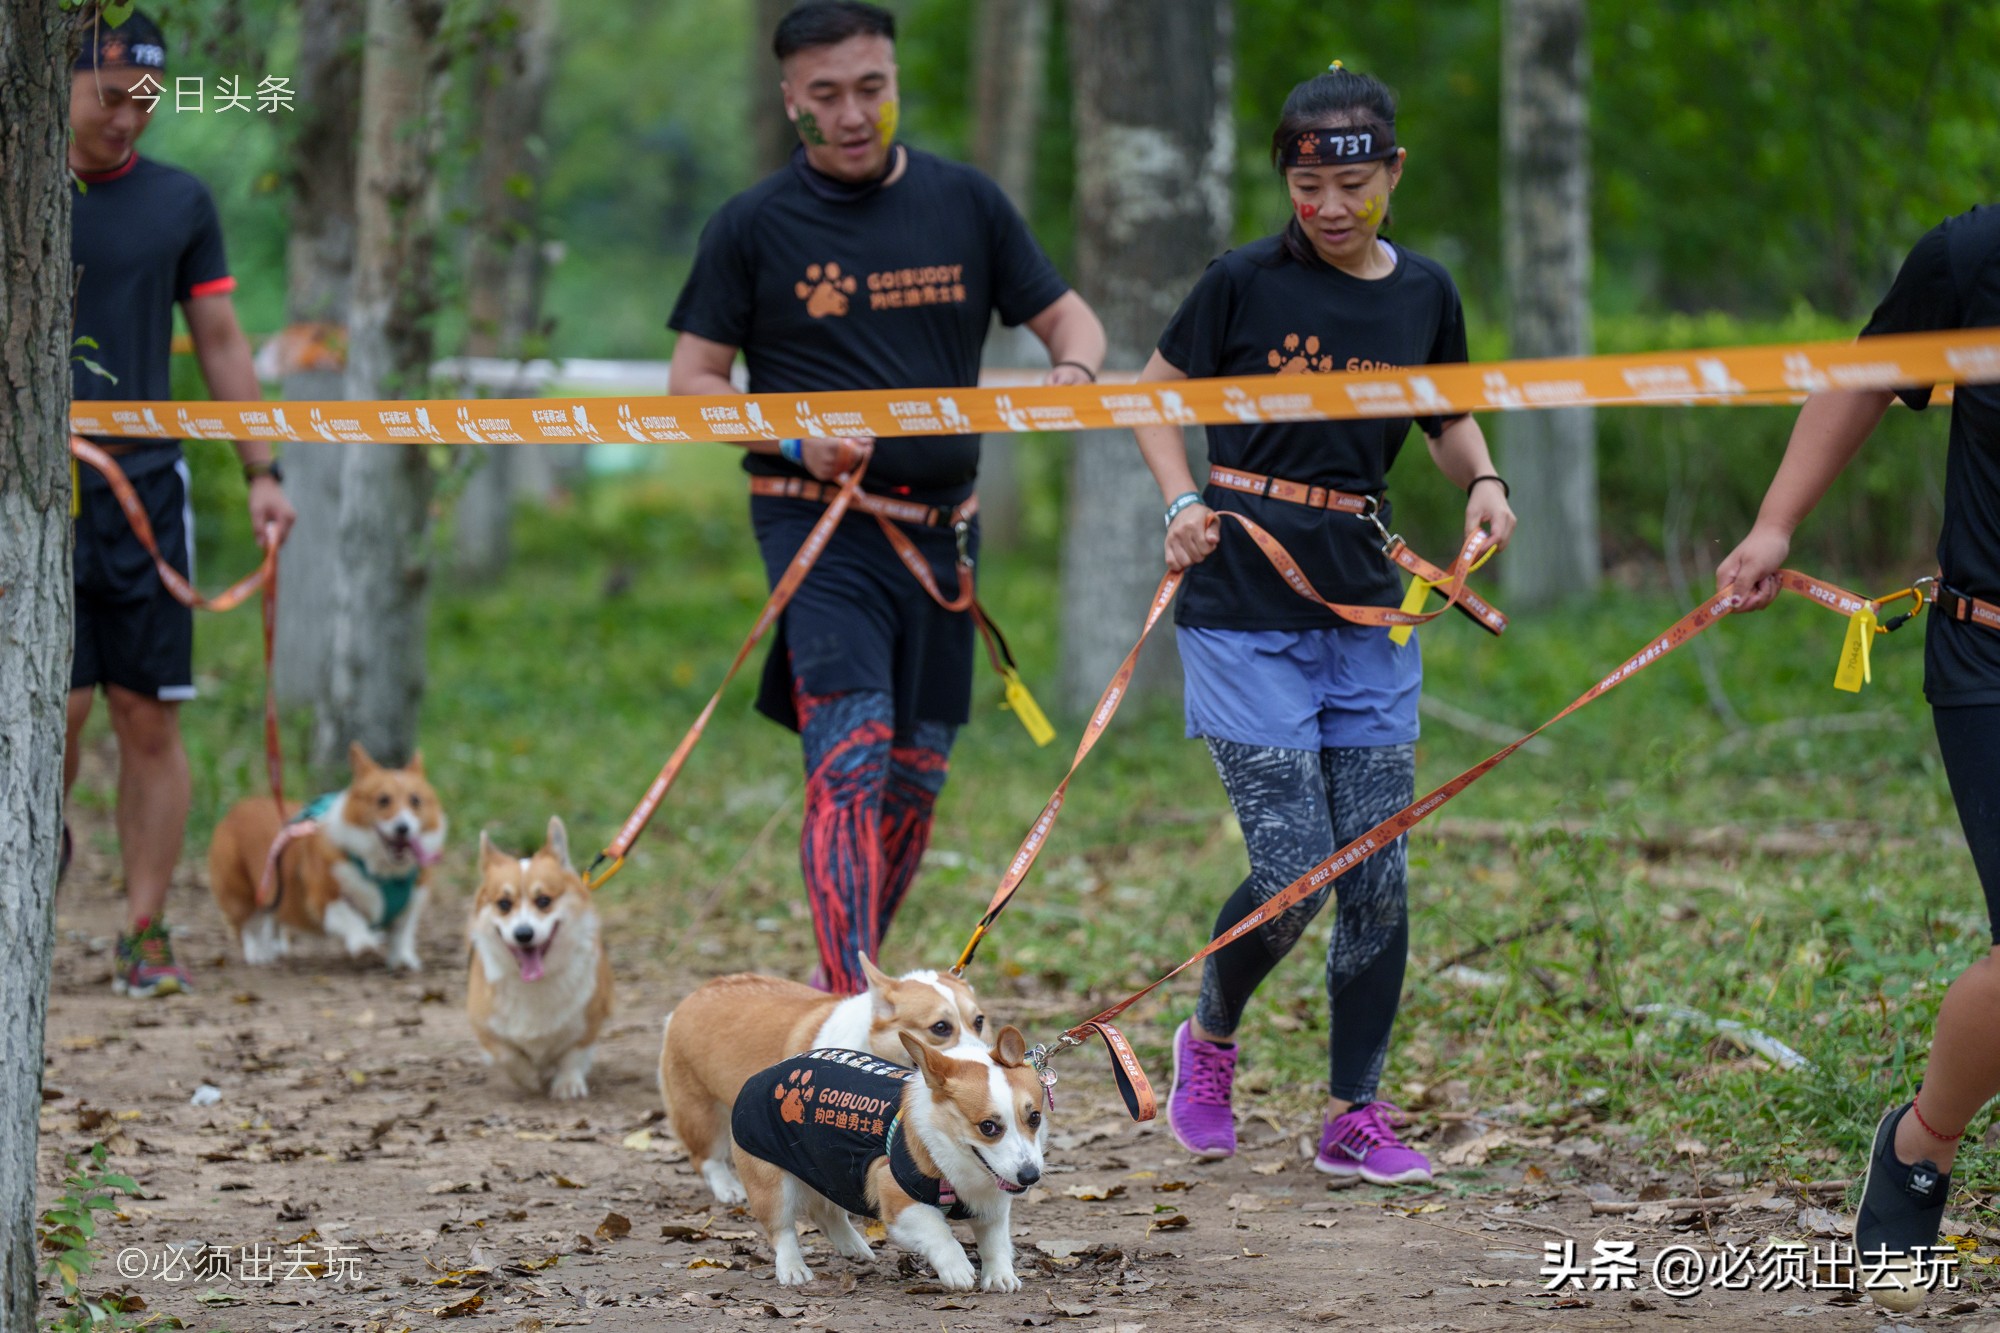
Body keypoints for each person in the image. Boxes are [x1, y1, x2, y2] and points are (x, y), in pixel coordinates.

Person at [666, 0, 1105, 995]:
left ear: (894, 83)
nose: (854, 114)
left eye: (872, 88)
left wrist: (1073, 373)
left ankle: (850, 993)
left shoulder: (967, 204)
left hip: (943, 536)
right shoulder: (749, 227)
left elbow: (1070, 321)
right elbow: (689, 388)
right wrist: (792, 433)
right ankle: (853, 1016)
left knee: (914, 776)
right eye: (826, 95)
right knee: (851, 755)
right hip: (815, 523)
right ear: (790, 102)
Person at [1128, 65, 1515, 1182]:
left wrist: (1479, 478)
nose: (1329, 207)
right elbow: (1154, 393)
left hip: (1365, 604)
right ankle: (1208, 1037)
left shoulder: (1421, 293)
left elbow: (1442, 415)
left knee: (1376, 868)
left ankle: (1355, 1112)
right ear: (1286, 182)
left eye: (1350, 183)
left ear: (1391, 171)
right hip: (1242, 598)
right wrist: (1181, 502)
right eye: (1306, 185)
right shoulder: (1239, 282)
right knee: (1293, 863)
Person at [1716, 204, 2000, 1304]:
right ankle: (1919, 1144)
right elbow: (1864, 376)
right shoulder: (1970, 256)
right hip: (1987, 653)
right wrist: (1775, 522)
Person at [64, 9, 296, 998]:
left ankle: (145, 929)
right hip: (38, 494)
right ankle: (29, 895)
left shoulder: (179, 201)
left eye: (147, 101)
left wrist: (261, 469)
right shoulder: (25, 189)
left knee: (144, 716)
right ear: (62, 83)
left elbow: (221, 339)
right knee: (51, 711)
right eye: (111, 97)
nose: (129, 119)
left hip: (148, 488)